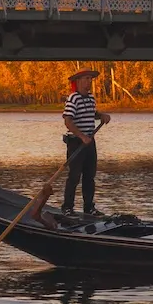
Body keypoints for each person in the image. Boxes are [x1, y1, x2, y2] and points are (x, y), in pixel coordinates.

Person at [59, 67, 109, 216]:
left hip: (89, 142)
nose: (89, 82)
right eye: (86, 79)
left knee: (89, 175)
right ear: (79, 81)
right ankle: (67, 207)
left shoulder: (91, 98)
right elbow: (68, 121)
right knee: (74, 176)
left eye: (90, 79)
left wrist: (102, 115)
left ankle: (89, 208)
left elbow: (90, 113)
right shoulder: (73, 98)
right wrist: (82, 136)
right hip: (76, 142)